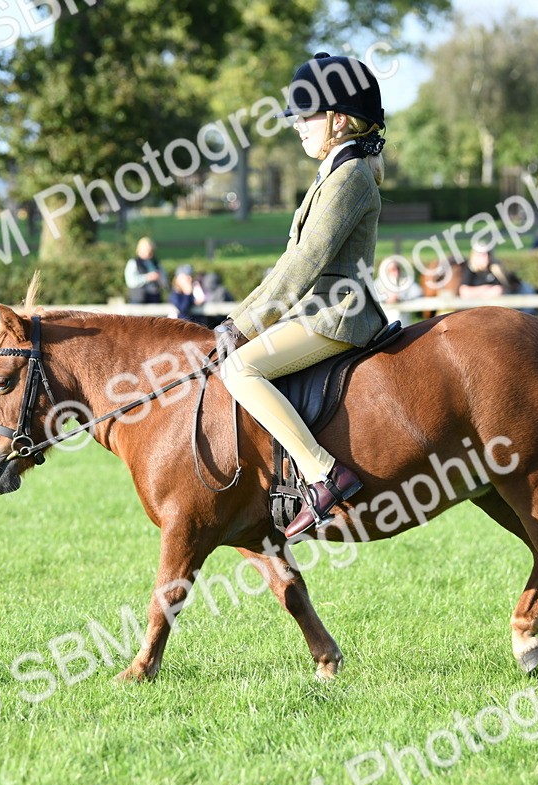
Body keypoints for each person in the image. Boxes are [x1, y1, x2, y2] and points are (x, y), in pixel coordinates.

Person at [217, 52, 389, 539]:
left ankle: (323, 473)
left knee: (240, 368)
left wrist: (243, 327)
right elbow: (288, 265)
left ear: (339, 119)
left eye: (306, 115)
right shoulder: (335, 171)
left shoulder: (350, 176)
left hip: (338, 315)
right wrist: (238, 317)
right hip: (316, 311)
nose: (297, 125)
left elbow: (305, 262)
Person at [125, 237, 166, 304]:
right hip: (138, 300)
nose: (150, 252)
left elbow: (164, 281)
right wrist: (147, 277)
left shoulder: (156, 263)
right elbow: (131, 282)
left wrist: (158, 277)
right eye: (147, 250)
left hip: (154, 298)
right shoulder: (133, 263)